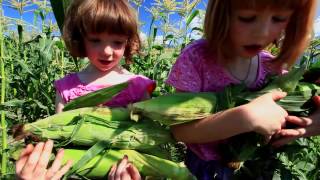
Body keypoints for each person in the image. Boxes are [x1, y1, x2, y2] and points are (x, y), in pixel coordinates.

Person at [165, 0, 317, 179]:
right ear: (221, 15)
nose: (262, 33)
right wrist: (246, 117)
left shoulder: (273, 67)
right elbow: (180, 131)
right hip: (204, 169)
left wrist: (309, 124)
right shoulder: (196, 59)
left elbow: (289, 116)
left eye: (278, 18)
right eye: (247, 18)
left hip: (256, 168)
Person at [16, 0, 154, 179]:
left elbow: (148, 135)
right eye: (95, 40)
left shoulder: (137, 85)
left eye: (117, 42)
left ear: (128, 42)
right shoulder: (67, 88)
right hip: (78, 170)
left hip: (125, 170)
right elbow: (59, 134)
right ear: (80, 39)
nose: (106, 51)